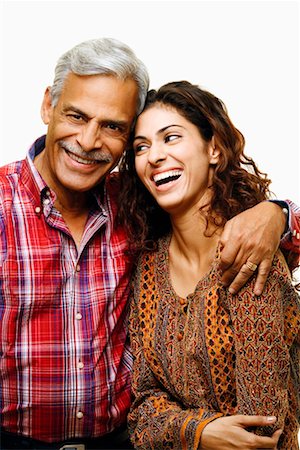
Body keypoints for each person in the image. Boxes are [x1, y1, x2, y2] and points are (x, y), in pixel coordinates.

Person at [0, 38, 299, 450]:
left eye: (113, 127)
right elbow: (147, 400)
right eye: (76, 115)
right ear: (49, 105)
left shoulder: (140, 212)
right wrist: (193, 431)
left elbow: (265, 432)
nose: (88, 141)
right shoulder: (146, 245)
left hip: (115, 441)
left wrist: (277, 212)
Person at [117, 81, 300, 449]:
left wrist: (175, 427)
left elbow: (263, 431)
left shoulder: (248, 258)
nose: (154, 156)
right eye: (142, 146)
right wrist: (199, 433)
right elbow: (141, 410)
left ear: (214, 149)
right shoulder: (148, 266)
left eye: (171, 138)